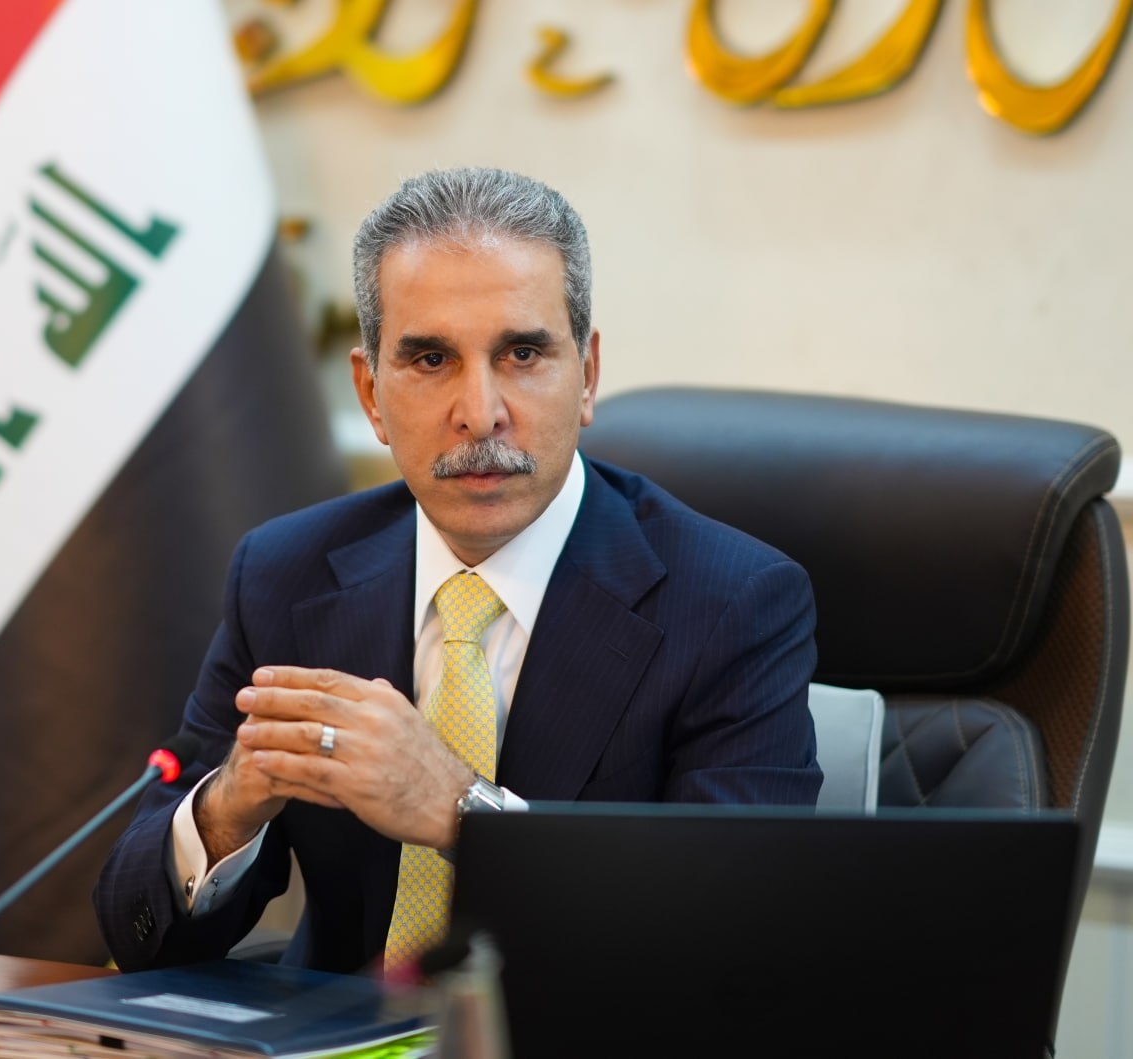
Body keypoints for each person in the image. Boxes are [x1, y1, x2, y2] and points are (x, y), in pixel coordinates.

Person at [94, 166, 821, 976]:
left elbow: (736, 936)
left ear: (588, 375)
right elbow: (139, 930)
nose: (480, 413)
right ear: (371, 394)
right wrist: (226, 809)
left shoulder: (731, 602)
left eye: (522, 353)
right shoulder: (286, 573)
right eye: (432, 359)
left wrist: (461, 812)